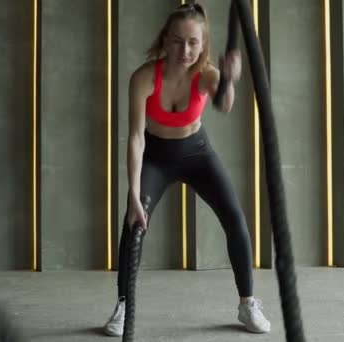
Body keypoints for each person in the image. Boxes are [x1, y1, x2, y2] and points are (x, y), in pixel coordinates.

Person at [103, 3, 270, 336]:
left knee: (235, 218)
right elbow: (136, 138)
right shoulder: (144, 77)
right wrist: (133, 194)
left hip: (197, 153)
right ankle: (123, 306)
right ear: (165, 39)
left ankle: (247, 303)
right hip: (156, 155)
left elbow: (223, 104)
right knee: (133, 224)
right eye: (178, 41)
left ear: (203, 43)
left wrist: (230, 80)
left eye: (193, 42)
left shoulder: (206, 73)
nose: (185, 50)